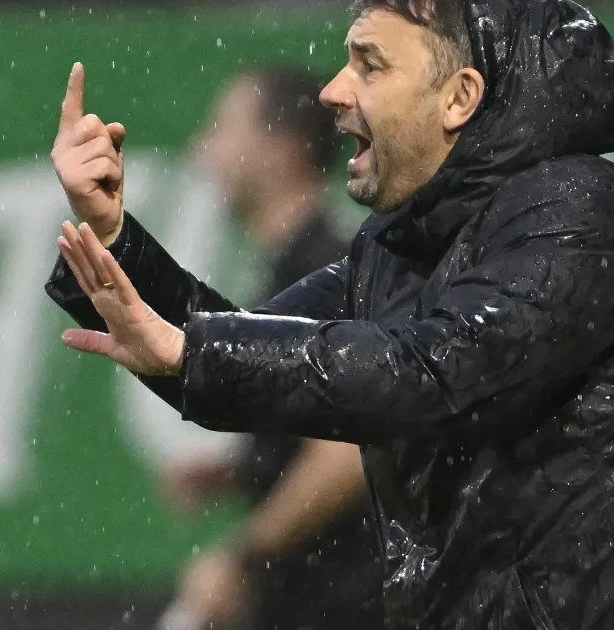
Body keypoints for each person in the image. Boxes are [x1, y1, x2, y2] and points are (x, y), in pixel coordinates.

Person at [44, 0, 614, 626]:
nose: (333, 91)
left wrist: (195, 357)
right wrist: (113, 240)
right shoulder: (397, 247)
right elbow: (247, 350)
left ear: (459, 97)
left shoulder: (575, 209)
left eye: (370, 65)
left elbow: (435, 375)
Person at [153, 67, 385, 630]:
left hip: (346, 604)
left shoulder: (320, 270)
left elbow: (350, 451)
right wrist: (246, 470)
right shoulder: (299, 268)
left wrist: (242, 557)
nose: (201, 148)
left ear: (282, 150)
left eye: (222, 128)